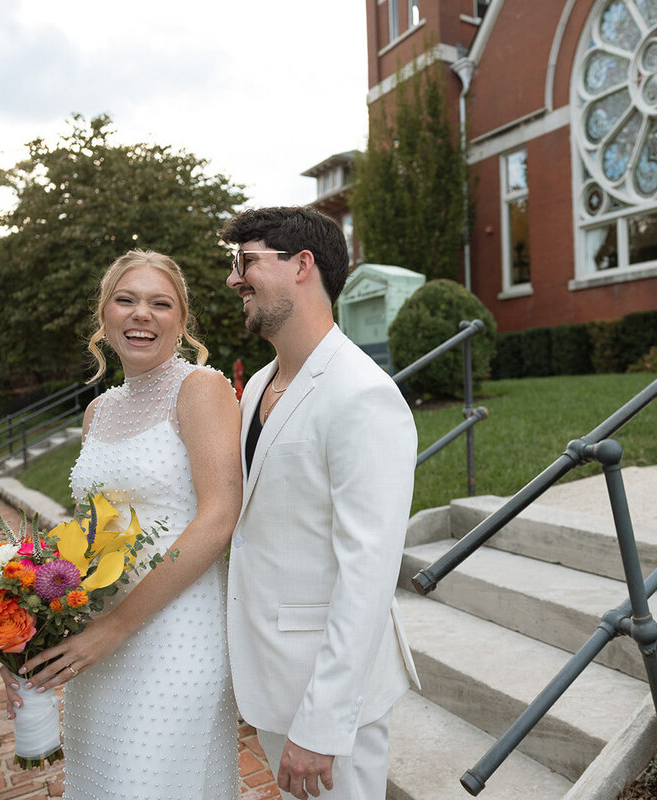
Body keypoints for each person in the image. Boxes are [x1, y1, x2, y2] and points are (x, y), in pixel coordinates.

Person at [2, 250, 244, 799]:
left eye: (161, 303)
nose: (142, 314)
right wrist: (26, 637)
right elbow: (88, 536)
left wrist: (116, 628)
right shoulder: (99, 411)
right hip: (98, 636)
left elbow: (219, 516)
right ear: (104, 315)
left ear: (182, 322)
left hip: (177, 631)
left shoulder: (201, 388)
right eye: (126, 300)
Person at [220, 206, 419, 800]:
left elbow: (369, 572)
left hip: (329, 698)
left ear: (301, 265)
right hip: (274, 672)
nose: (234, 279)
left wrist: (322, 721)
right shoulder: (258, 384)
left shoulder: (363, 395)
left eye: (246, 261)